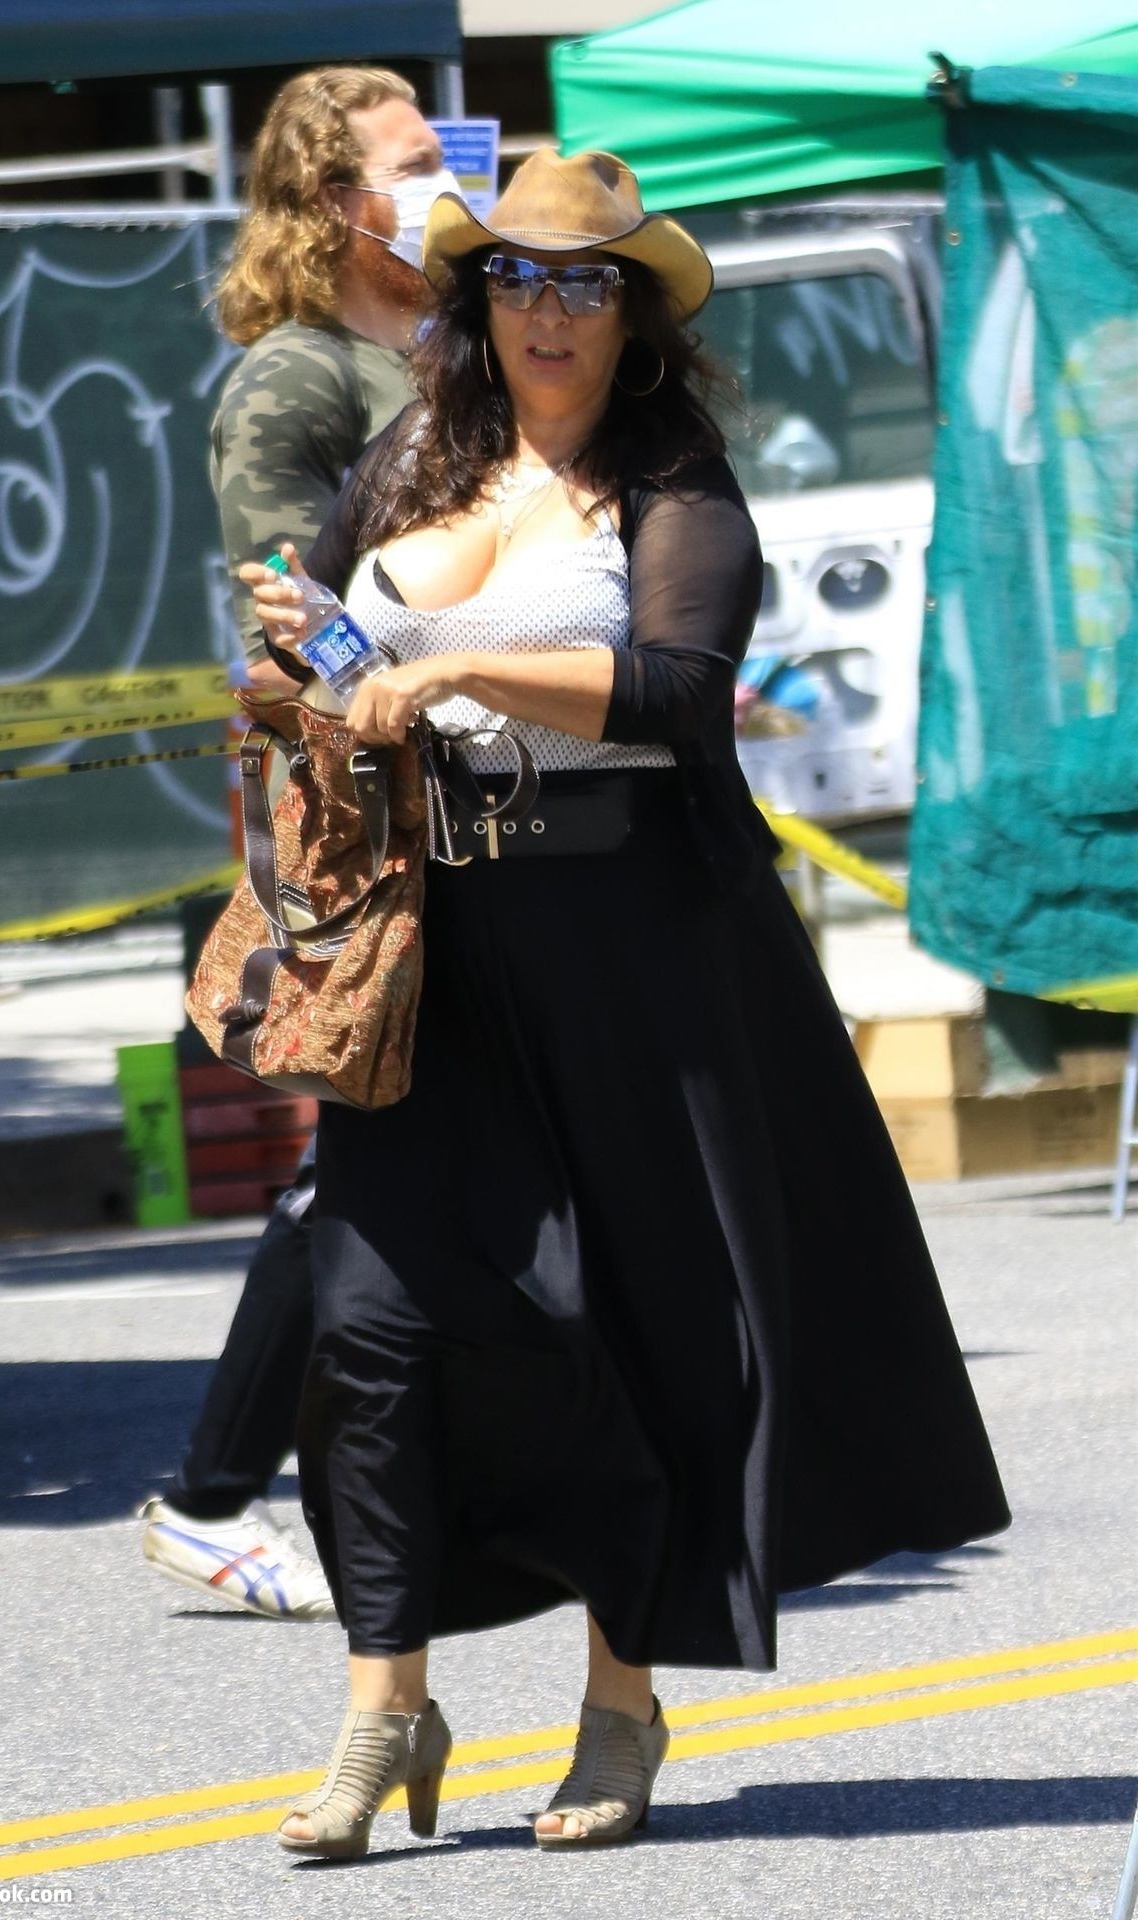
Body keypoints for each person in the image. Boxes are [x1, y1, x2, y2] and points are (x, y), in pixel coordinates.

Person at [242, 148, 1011, 1858]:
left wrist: (456, 663)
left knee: (632, 1330)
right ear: (476, 302)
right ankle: (387, 1704)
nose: (549, 311)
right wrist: (296, 657)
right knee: (368, 1324)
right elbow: (312, 655)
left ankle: (620, 1704)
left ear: (635, 311)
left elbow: (676, 684)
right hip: (428, 944)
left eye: (585, 282)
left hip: (637, 943)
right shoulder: (411, 454)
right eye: (518, 278)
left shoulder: (672, 476)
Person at [139, 65, 457, 1619]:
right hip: (367, 809)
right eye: (420, 160)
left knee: (428, 1140)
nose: (455, 179)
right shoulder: (294, 380)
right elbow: (286, 614)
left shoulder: (451, 349)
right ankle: (212, 1493)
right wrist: (430, 700)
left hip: (480, 795)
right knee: (362, 1147)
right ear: (337, 199)